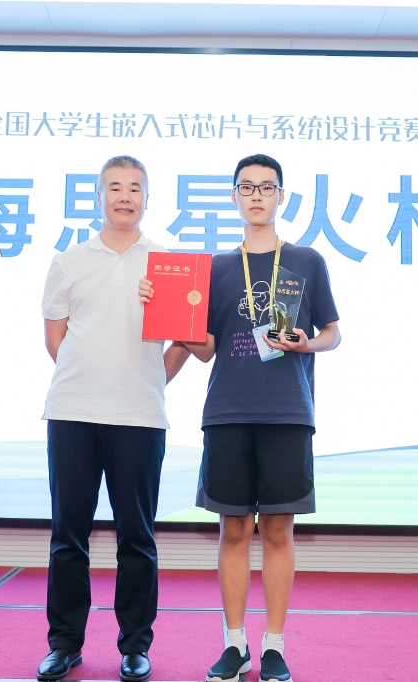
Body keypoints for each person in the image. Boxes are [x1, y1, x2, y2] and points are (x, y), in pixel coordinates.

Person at [140, 154, 341, 682]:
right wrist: (165, 308)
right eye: (247, 187)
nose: (257, 196)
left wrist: (306, 343)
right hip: (227, 413)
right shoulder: (215, 269)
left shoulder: (308, 261)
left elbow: (332, 333)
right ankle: (235, 644)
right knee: (233, 530)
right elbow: (205, 349)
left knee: (277, 530)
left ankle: (273, 645)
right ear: (233, 197)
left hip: (288, 413)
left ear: (281, 197)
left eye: (266, 187)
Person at [39, 155, 189, 682]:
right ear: (99, 197)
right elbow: (56, 338)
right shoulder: (69, 260)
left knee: (137, 538)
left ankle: (135, 646)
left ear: (147, 199)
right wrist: (93, 378)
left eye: (135, 188)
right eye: (115, 187)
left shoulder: (167, 263)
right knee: (68, 535)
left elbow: (185, 342)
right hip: (73, 413)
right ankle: (64, 644)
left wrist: (146, 381)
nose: (125, 196)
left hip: (140, 417)